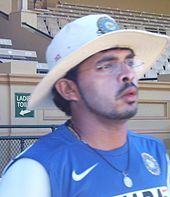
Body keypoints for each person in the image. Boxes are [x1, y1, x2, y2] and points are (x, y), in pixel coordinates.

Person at [0, 14, 170, 197]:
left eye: (129, 62)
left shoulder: (155, 150)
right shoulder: (35, 170)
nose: (128, 74)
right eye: (106, 66)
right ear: (68, 89)